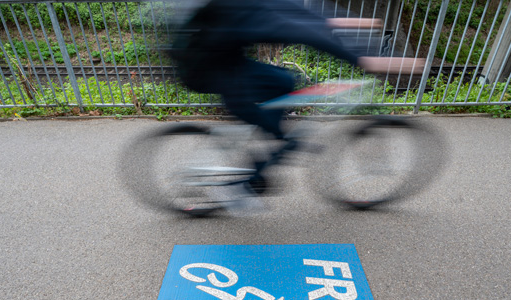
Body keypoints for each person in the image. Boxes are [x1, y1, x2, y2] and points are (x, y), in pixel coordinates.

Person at [169, 0, 423, 192]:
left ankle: (272, 142)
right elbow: (298, 30)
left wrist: (339, 22)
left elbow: (297, 12)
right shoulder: (245, 11)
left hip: (225, 60)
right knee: (268, 123)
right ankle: (245, 183)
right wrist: (362, 60)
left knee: (286, 80)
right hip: (207, 71)